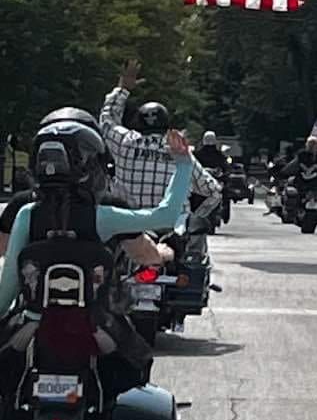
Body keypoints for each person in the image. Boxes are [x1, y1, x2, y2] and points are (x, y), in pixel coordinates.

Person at [0, 119, 193, 403]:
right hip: (98, 324)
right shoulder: (103, 215)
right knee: (135, 369)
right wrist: (183, 164)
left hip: (32, 326)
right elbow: (164, 217)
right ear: (91, 167)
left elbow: (7, 290)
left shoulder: (27, 215)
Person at [0, 106, 174, 267]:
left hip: (32, 296)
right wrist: (163, 253)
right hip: (97, 298)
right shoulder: (111, 207)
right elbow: (144, 254)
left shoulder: (22, 206)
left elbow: (4, 249)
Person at [99, 60, 222, 220]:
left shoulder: (125, 143)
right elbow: (213, 191)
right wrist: (194, 220)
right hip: (170, 233)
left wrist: (123, 89)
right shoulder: (179, 151)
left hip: (128, 229)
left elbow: (107, 120)